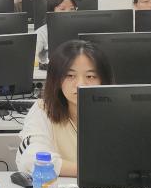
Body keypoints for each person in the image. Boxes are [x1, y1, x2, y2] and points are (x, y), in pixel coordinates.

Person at [16, 40, 113, 177]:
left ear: (103, 80)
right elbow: (30, 159)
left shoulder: (118, 111)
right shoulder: (43, 110)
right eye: (70, 75)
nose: (80, 84)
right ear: (56, 79)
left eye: (90, 76)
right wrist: (92, 171)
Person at [34, 0, 78, 66]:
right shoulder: (42, 32)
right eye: (62, 9)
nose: (68, 12)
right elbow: (31, 57)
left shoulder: (80, 29)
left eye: (72, 9)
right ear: (51, 11)